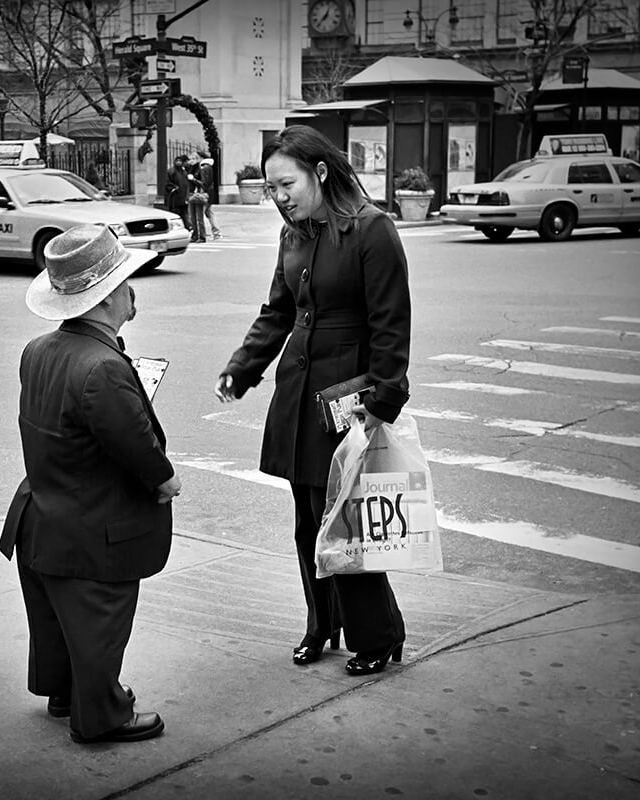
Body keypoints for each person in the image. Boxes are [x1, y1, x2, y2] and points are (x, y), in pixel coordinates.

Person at [214, 125, 409, 676]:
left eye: (286, 183)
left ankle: (378, 634)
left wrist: (382, 404)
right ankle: (321, 625)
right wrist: (241, 368)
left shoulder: (372, 230)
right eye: (271, 187)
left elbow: (392, 328)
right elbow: (278, 311)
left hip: (350, 400)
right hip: (300, 398)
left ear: (320, 171)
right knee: (308, 522)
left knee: (350, 522)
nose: (279, 196)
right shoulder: (294, 234)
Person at [0, 223, 182, 744]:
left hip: (45, 513)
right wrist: (166, 481)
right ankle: (102, 713)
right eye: (126, 282)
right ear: (104, 299)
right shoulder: (102, 366)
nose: (133, 290)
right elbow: (138, 447)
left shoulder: (39, 349)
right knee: (100, 620)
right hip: (93, 522)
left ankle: (64, 692)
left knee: (58, 617)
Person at [197, 152, 222, 239]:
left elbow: (205, 182)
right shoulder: (208, 167)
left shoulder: (204, 168)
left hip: (205, 193)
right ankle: (216, 232)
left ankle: (199, 233)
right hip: (209, 192)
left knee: (200, 213)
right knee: (209, 213)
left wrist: (195, 181)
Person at [186, 154, 208, 243]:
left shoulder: (200, 169)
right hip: (191, 194)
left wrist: (193, 179)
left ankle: (202, 236)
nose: (192, 160)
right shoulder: (189, 169)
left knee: (199, 217)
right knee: (192, 217)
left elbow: (203, 183)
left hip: (198, 194)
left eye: (194, 158)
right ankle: (194, 235)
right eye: (190, 159)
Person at [165, 154, 190, 226]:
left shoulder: (184, 172)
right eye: (177, 161)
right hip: (175, 197)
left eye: (180, 161)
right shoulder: (171, 171)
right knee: (176, 213)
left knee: (184, 213)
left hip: (183, 196)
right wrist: (174, 188)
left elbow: (186, 184)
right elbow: (168, 183)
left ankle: (188, 226)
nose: (178, 162)